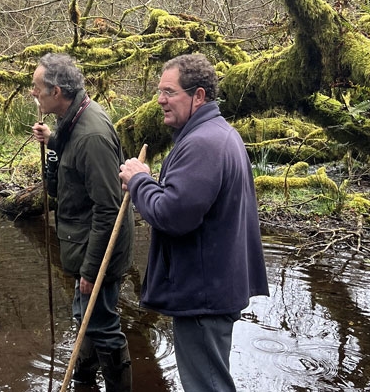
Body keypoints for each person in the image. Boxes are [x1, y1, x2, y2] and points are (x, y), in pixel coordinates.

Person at [118, 53, 270, 392]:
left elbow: (173, 215)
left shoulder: (203, 143)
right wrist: (150, 183)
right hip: (213, 287)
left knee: (208, 385)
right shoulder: (216, 135)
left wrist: (141, 180)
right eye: (160, 91)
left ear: (198, 96)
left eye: (169, 92)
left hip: (205, 294)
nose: (160, 100)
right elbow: (187, 201)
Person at [31, 53, 134, 392]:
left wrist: (91, 272)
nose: (34, 94)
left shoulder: (92, 136)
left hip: (101, 250)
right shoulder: (72, 120)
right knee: (86, 317)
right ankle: (84, 381)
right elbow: (70, 164)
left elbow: (109, 209)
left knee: (102, 324)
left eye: (37, 89)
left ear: (57, 91)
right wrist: (53, 143)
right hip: (86, 243)